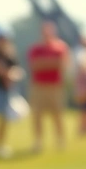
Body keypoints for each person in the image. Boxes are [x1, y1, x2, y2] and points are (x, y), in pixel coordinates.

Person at [26, 21, 70, 152]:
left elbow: (62, 65)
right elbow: (34, 66)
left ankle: (60, 140)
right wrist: (52, 63)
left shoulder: (61, 47)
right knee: (37, 115)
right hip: (39, 86)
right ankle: (38, 142)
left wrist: (45, 63)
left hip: (55, 86)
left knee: (57, 114)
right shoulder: (35, 48)